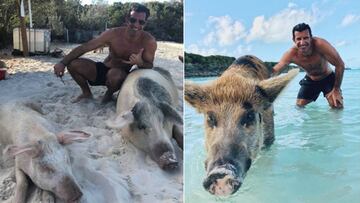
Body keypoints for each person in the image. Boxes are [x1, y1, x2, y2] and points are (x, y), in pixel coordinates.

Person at [53, 3, 157, 103]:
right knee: (72, 64)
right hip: (103, 69)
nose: (136, 24)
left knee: (115, 75)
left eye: (141, 22)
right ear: (127, 19)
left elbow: (149, 65)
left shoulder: (149, 42)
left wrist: (141, 63)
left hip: (120, 76)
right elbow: (85, 47)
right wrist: (62, 63)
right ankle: (86, 93)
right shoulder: (113, 34)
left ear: (145, 23)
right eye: (133, 20)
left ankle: (108, 94)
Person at [272, 23, 344, 109]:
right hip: (311, 80)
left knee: (337, 105)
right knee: (299, 106)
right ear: (293, 40)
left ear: (311, 37)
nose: (302, 42)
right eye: (298, 39)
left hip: (327, 78)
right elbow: (277, 69)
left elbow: (340, 65)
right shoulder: (291, 54)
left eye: (305, 38)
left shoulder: (321, 45)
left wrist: (336, 89)